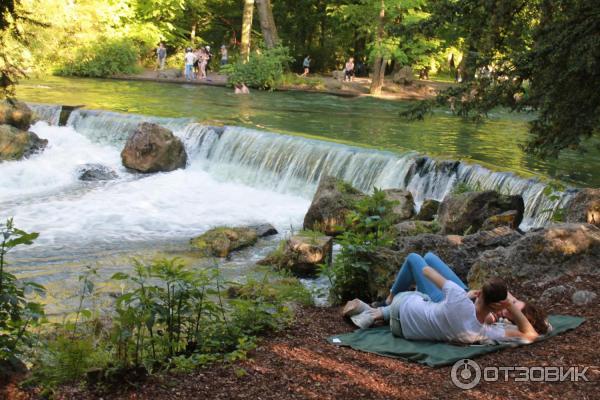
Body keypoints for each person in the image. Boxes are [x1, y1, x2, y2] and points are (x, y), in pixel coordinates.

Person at [343, 252, 549, 345]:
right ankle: (381, 310)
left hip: (442, 303)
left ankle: (387, 303)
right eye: (512, 301)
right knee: (431, 256)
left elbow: (426, 272)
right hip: (462, 301)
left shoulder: (491, 322)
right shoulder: (483, 329)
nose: (510, 303)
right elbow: (531, 332)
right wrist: (505, 304)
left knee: (416, 259)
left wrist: (471, 297)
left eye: (511, 306)